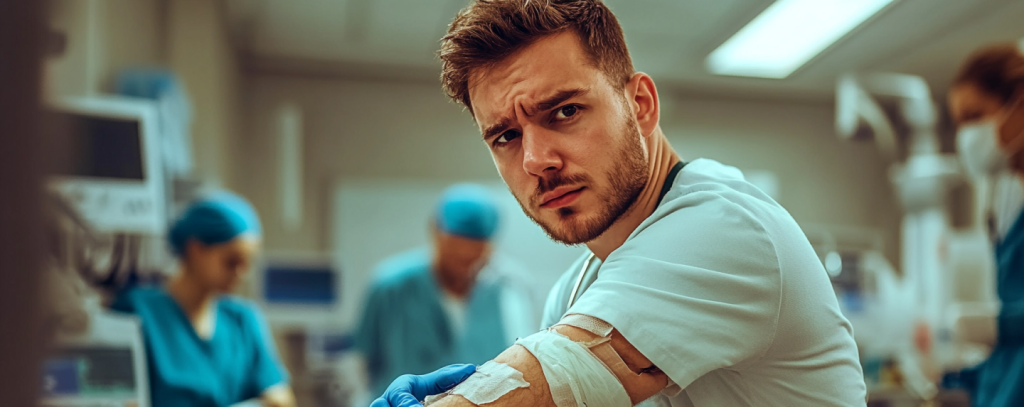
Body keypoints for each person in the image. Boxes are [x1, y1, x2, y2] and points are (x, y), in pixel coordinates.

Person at [371, 1, 867, 406]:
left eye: (565, 111)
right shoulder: (573, 291)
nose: (536, 160)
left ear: (641, 106)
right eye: (505, 136)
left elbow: (558, 376)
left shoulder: (727, 229)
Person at [111, 192, 295, 407]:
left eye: (248, 262)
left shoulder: (242, 319)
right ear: (196, 249)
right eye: (232, 261)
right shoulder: (137, 312)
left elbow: (280, 398)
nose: (242, 273)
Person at [355, 184, 535, 397]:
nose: (465, 265)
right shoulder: (390, 287)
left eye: (474, 257)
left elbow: (518, 363)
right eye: (456, 251)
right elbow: (365, 363)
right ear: (435, 230)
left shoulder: (507, 290)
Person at [947, 42, 1024, 407]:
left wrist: (1001, 325)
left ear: (1019, 105)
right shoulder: (1006, 199)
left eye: (974, 116)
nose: (966, 135)